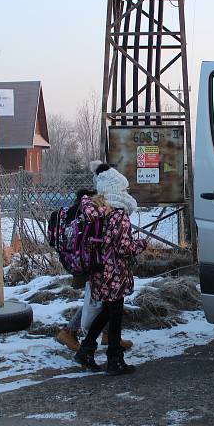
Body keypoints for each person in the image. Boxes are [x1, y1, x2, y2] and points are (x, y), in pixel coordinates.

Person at [73, 161, 146, 376]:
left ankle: (86, 350)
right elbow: (124, 248)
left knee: (108, 311)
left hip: (98, 270)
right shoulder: (119, 215)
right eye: (123, 188)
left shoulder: (97, 211)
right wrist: (140, 244)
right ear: (116, 190)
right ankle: (114, 359)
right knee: (114, 315)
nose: (126, 192)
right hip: (115, 273)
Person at [56, 184, 133, 352]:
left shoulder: (91, 203)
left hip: (89, 260)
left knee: (104, 302)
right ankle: (69, 331)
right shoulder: (98, 203)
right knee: (97, 302)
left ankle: (110, 335)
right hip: (93, 262)